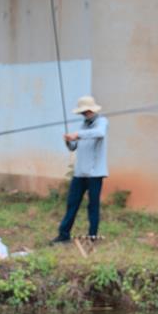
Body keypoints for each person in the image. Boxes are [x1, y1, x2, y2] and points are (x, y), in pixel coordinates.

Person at [53, 95, 108, 244]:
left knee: (93, 206)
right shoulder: (83, 125)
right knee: (72, 203)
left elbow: (99, 133)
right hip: (80, 172)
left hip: (95, 173)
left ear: (92, 110)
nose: (85, 114)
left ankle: (92, 236)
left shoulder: (101, 122)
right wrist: (68, 141)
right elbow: (74, 147)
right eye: (83, 112)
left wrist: (77, 135)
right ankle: (64, 234)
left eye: (87, 111)